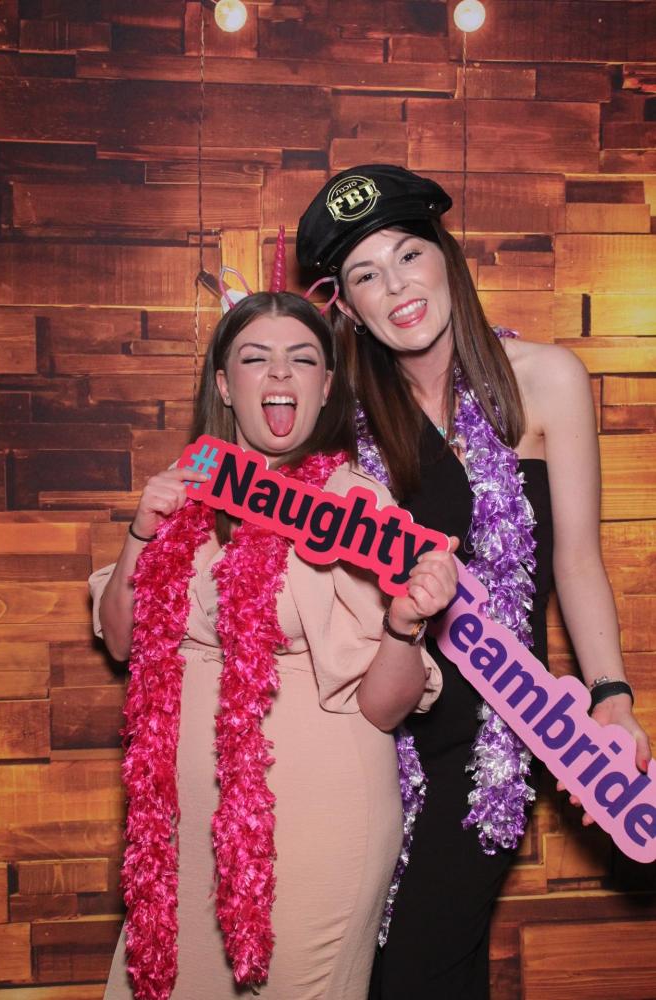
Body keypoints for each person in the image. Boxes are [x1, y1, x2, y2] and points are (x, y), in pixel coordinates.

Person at [296, 165, 652, 1000]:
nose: (396, 288)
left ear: (445, 255)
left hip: (491, 733)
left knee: (417, 970)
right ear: (347, 306)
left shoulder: (546, 379)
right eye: (365, 275)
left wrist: (610, 692)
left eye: (408, 255)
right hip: (373, 734)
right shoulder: (340, 417)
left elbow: (576, 559)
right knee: (388, 974)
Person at [89, 289, 459, 1000]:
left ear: (326, 387)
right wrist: (140, 532)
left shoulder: (354, 511)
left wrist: (406, 622)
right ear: (226, 386)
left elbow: (384, 710)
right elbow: (122, 640)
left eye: (303, 360)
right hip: (180, 825)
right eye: (256, 359)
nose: (281, 373)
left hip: (315, 820)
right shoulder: (187, 491)